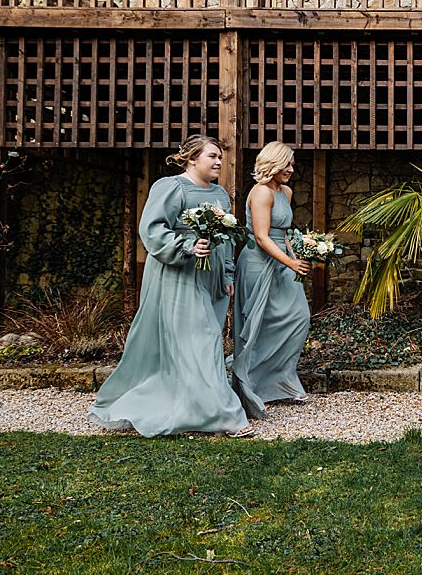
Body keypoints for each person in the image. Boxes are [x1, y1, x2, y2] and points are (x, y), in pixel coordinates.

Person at [89, 135, 255, 438]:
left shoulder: (220, 194)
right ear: (191, 158)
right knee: (202, 339)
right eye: (212, 156)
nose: (219, 162)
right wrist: (188, 246)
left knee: (200, 342)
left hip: (210, 276)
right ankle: (227, 416)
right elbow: (151, 229)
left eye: (220, 157)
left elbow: (226, 240)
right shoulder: (170, 187)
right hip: (176, 276)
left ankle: (194, 406)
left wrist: (227, 275)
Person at [231, 142, 312, 416]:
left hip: (282, 260)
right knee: (258, 324)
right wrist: (290, 262)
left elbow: (284, 233)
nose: (291, 169)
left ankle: (282, 379)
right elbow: (262, 236)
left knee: (299, 316)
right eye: (286, 164)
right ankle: (249, 385)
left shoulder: (285, 192)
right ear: (272, 165)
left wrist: (296, 256)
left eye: (292, 164)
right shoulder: (261, 193)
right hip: (257, 262)